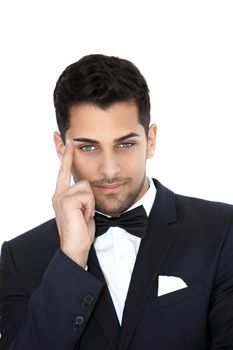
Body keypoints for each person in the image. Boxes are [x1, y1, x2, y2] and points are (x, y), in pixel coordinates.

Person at [0, 54, 233, 350]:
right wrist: (70, 261)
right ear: (61, 148)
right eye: (88, 146)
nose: (109, 170)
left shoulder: (222, 231)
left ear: (150, 141)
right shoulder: (20, 258)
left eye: (125, 144)